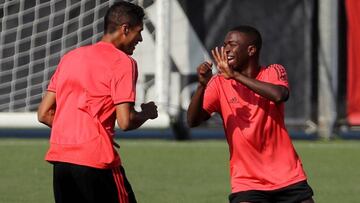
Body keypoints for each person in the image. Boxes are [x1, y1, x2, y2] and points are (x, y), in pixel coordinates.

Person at [37, 2, 158, 203]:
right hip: (96, 162)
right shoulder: (123, 62)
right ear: (125, 29)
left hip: (61, 162)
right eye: (139, 31)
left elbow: (44, 113)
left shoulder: (70, 57)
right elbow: (125, 121)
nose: (141, 38)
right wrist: (147, 113)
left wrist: (92, 132)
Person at [187, 25, 314, 203]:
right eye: (225, 45)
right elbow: (192, 121)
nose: (226, 50)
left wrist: (235, 76)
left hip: (288, 176)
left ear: (251, 50)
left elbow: (279, 95)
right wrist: (201, 85)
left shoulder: (273, 71)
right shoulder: (218, 83)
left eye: (232, 45)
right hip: (247, 182)